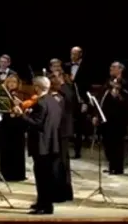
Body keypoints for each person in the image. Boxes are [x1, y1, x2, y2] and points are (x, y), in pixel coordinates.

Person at [14, 76, 62, 215]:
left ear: (37, 87)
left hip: (41, 145)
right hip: (51, 143)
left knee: (42, 177)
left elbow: (37, 124)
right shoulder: (53, 101)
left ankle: (45, 206)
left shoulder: (41, 103)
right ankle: (42, 202)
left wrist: (21, 115)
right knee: (46, 176)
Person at [95, 62, 128, 175]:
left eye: (113, 67)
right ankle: (111, 165)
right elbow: (101, 98)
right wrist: (97, 115)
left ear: (120, 70)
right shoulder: (107, 82)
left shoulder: (125, 83)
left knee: (117, 144)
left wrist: (117, 92)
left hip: (119, 120)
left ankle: (118, 168)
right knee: (107, 143)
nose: (111, 68)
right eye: (111, 67)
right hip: (106, 119)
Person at [50, 70, 74, 202]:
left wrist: (62, 84)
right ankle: (59, 192)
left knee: (61, 162)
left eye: (56, 77)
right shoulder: (54, 93)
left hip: (62, 131)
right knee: (57, 162)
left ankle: (62, 193)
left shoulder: (66, 91)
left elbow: (70, 102)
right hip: (56, 130)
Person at [0, 75, 27, 181]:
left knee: (17, 149)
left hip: (18, 125)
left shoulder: (22, 95)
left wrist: (21, 105)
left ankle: (18, 174)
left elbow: (27, 109)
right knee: (5, 149)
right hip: (5, 124)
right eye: (10, 82)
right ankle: (5, 174)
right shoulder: (2, 95)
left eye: (14, 82)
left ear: (18, 83)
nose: (12, 84)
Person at [63, 46, 90, 159]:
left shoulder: (86, 67)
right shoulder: (66, 66)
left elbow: (87, 86)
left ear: (80, 54)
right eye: (71, 53)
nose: (72, 55)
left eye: (75, 53)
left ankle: (77, 151)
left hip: (80, 100)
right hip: (68, 99)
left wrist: (85, 102)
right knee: (67, 125)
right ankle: (65, 151)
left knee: (79, 127)